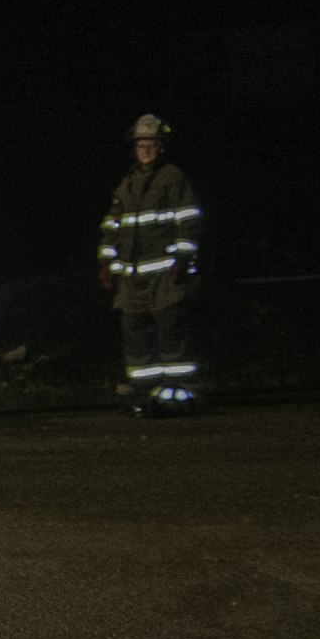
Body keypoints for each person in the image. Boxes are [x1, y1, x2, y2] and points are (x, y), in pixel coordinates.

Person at [99, 114, 202, 415]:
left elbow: (188, 220)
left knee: (170, 329)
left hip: (166, 274)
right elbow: (111, 227)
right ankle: (145, 392)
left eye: (151, 145)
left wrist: (183, 258)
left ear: (161, 147)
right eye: (141, 145)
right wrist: (106, 263)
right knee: (135, 331)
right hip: (132, 278)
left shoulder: (172, 178)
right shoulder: (126, 186)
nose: (145, 150)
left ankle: (180, 392)